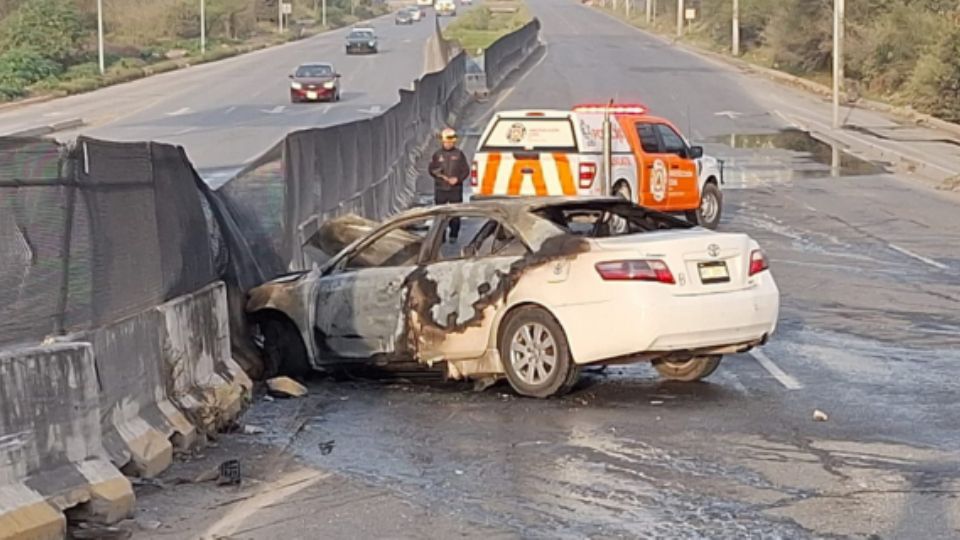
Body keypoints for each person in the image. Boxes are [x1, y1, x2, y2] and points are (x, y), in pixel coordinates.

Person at [428, 127, 470, 242]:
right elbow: (431, 170)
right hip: (440, 189)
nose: (448, 144)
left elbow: (466, 170)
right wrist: (438, 175)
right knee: (440, 214)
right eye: (446, 142)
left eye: (451, 142)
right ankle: (441, 236)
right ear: (443, 141)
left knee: (455, 214)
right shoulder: (437, 155)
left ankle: (453, 234)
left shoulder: (459, 154)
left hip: (455, 189)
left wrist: (458, 179)